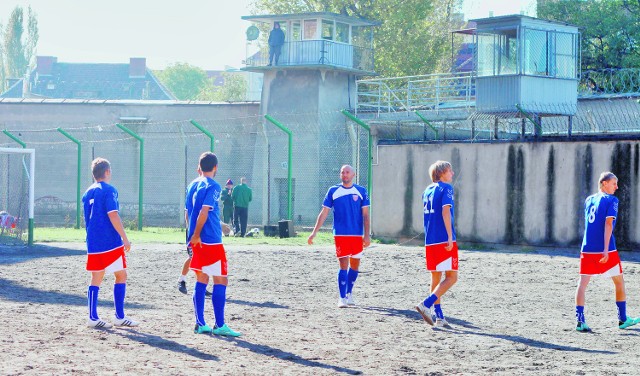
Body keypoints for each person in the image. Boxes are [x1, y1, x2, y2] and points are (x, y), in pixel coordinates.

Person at [574, 171, 640, 332]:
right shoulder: (612, 200)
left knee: (582, 284)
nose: (616, 187)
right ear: (604, 183)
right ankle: (623, 319)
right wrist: (605, 249)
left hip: (587, 248)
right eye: (613, 183)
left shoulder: (589, 199)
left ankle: (580, 321)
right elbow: (608, 224)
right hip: (606, 249)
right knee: (619, 282)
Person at [188, 152, 241, 336]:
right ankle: (219, 325)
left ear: (199, 166)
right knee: (221, 280)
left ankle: (200, 323)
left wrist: (192, 235)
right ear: (215, 167)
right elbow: (204, 211)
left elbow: (189, 213)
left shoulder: (192, 185)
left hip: (197, 240)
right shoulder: (214, 186)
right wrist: (198, 234)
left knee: (201, 279)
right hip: (210, 240)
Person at [82, 158, 139, 328]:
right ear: (107, 172)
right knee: (121, 275)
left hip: (93, 242)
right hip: (111, 242)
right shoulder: (109, 190)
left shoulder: (88, 192)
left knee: (97, 277)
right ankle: (119, 316)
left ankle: (93, 317)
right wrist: (125, 238)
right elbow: (113, 214)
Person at [308, 165, 371, 308]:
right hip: (341, 234)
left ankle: (349, 293)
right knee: (343, 264)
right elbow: (324, 212)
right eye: (342, 172)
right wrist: (314, 232)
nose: (344, 174)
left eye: (347, 172)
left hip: (357, 234)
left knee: (355, 265)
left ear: (353, 175)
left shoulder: (361, 191)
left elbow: (366, 215)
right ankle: (342, 297)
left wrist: (367, 235)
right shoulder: (333, 190)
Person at [415, 160, 458, 328]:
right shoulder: (446, 188)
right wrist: (449, 236)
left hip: (430, 240)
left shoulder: (427, 190)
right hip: (444, 239)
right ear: (441, 173)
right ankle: (426, 304)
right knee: (452, 277)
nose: (452, 173)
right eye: (450, 170)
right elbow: (445, 211)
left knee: (436, 277)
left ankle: (438, 316)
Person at [177, 167, 212, 297]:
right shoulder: (197, 186)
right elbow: (189, 212)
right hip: (195, 230)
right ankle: (181, 280)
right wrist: (191, 231)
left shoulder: (198, 186)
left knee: (204, 258)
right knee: (193, 257)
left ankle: (202, 284)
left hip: (200, 229)